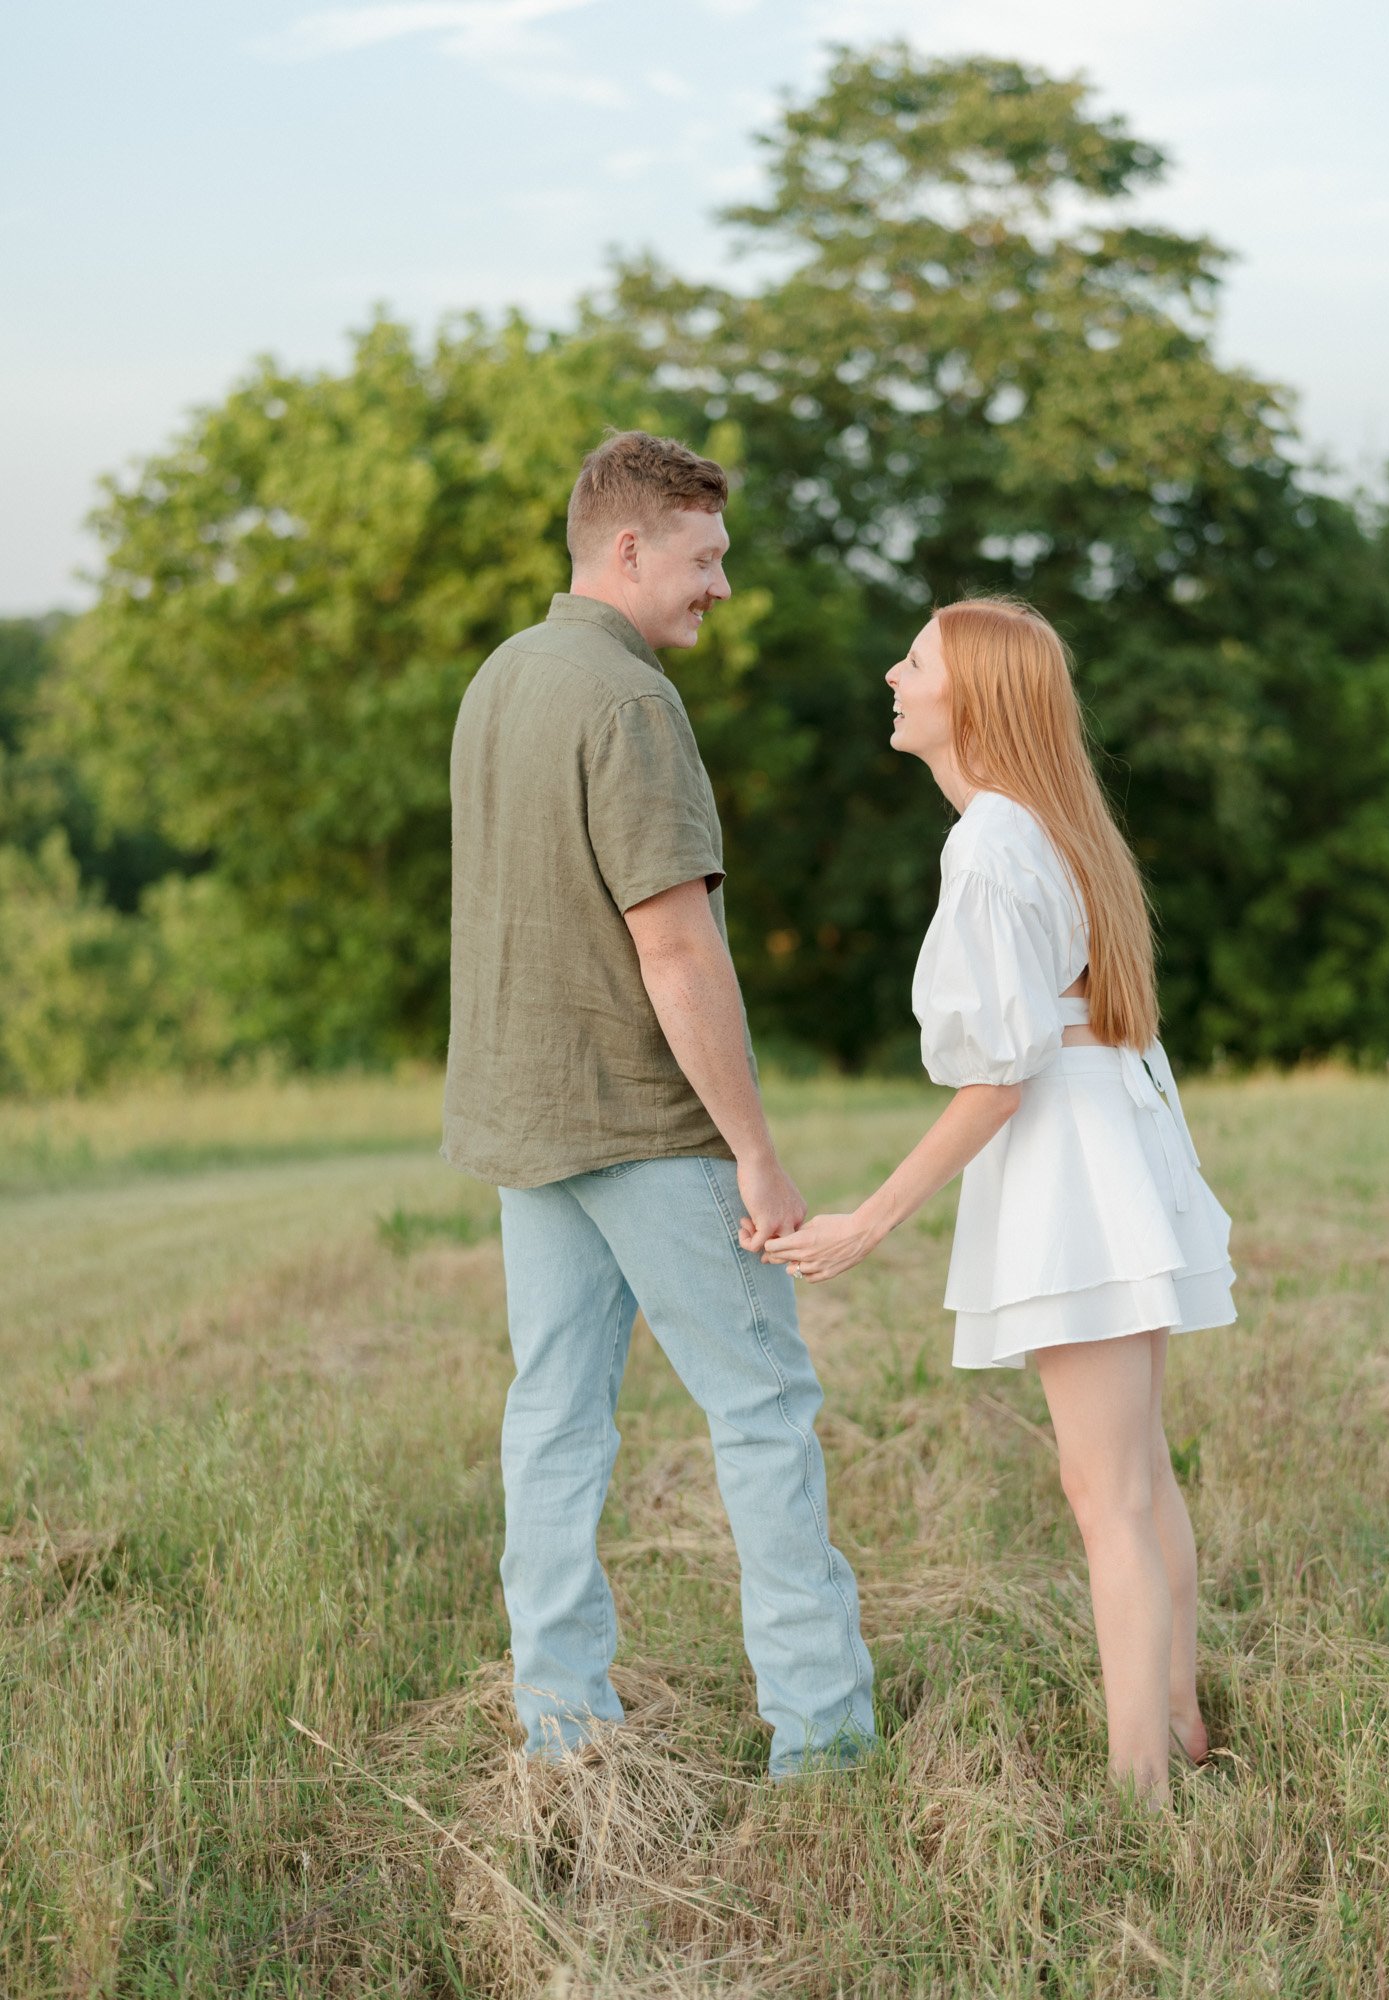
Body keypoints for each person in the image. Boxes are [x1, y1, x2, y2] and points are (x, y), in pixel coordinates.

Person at [441, 429, 875, 1780]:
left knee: (554, 1416)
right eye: (704, 558)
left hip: (530, 1122)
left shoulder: (504, 677)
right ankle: (823, 1741)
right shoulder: (627, 703)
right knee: (760, 1410)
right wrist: (755, 1151)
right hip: (640, 1124)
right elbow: (675, 947)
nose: (721, 587)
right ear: (627, 549)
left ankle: (560, 1730)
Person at [762, 597, 1235, 1806]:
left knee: (1105, 1494)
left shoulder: (989, 843)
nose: (891, 672)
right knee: (1138, 1476)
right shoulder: (1048, 826)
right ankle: (1175, 1726)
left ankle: (1143, 1787)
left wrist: (869, 1217)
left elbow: (1000, 1072)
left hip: (1074, 1170)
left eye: (913, 660)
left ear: (967, 696)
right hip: (1115, 1145)